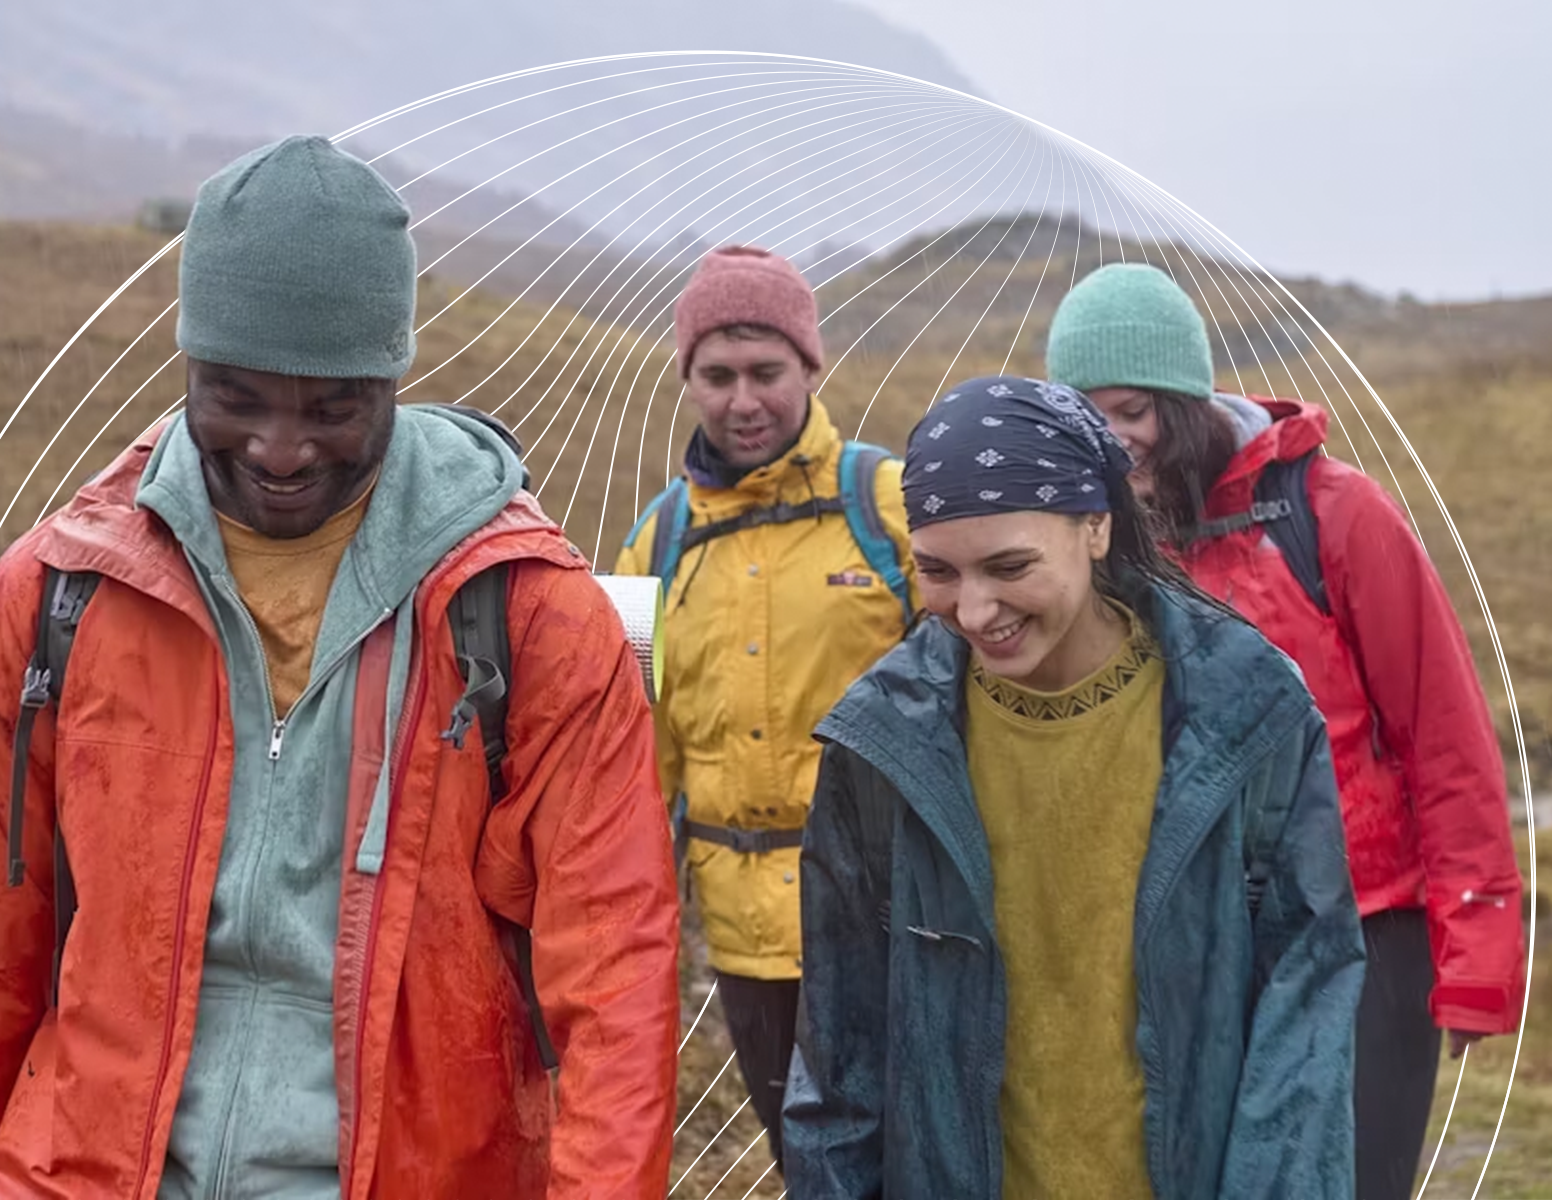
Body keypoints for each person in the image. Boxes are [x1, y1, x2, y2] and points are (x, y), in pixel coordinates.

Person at [0, 135, 680, 1199]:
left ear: (392, 376)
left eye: (333, 407)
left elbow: (616, 977)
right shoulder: (56, 598)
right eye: (236, 398)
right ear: (187, 368)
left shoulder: (529, 619)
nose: (281, 449)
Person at [783, 375, 1366, 1198]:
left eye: (1009, 566)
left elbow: (1302, 1030)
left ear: (1096, 526)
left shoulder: (1250, 713)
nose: (974, 610)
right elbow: (840, 1065)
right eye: (938, 571)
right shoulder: (880, 744)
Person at [1045, 262, 1527, 1200]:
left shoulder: (1335, 514)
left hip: (1366, 931)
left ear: (1185, 402)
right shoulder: (1097, 541)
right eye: (1090, 419)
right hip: (1192, 940)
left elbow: (1445, 739)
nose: (1116, 440)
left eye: (1134, 410)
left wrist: (1475, 956)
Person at [614, 244, 916, 1174]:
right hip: (746, 944)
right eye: (717, 376)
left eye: (765, 372)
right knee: (807, 1169)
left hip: (893, 919)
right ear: (688, 380)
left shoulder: (891, 506)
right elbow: (626, 754)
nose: (743, 401)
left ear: (809, 368)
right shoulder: (650, 547)